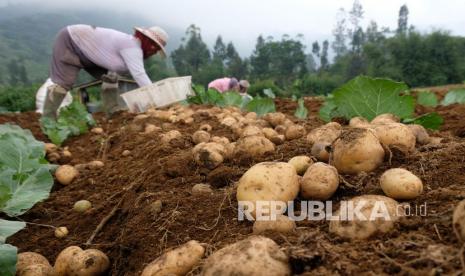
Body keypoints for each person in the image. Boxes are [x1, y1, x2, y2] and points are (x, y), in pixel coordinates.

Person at [39, 24, 168, 118]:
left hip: (89, 54)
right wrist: (157, 98)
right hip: (71, 41)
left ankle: (112, 112)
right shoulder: (132, 47)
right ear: (147, 40)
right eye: (154, 47)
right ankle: (48, 119)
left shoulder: (131, 45)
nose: (153, 51)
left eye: (156, 50)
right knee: (63, 83)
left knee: (111, 76)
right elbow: (139, 74)